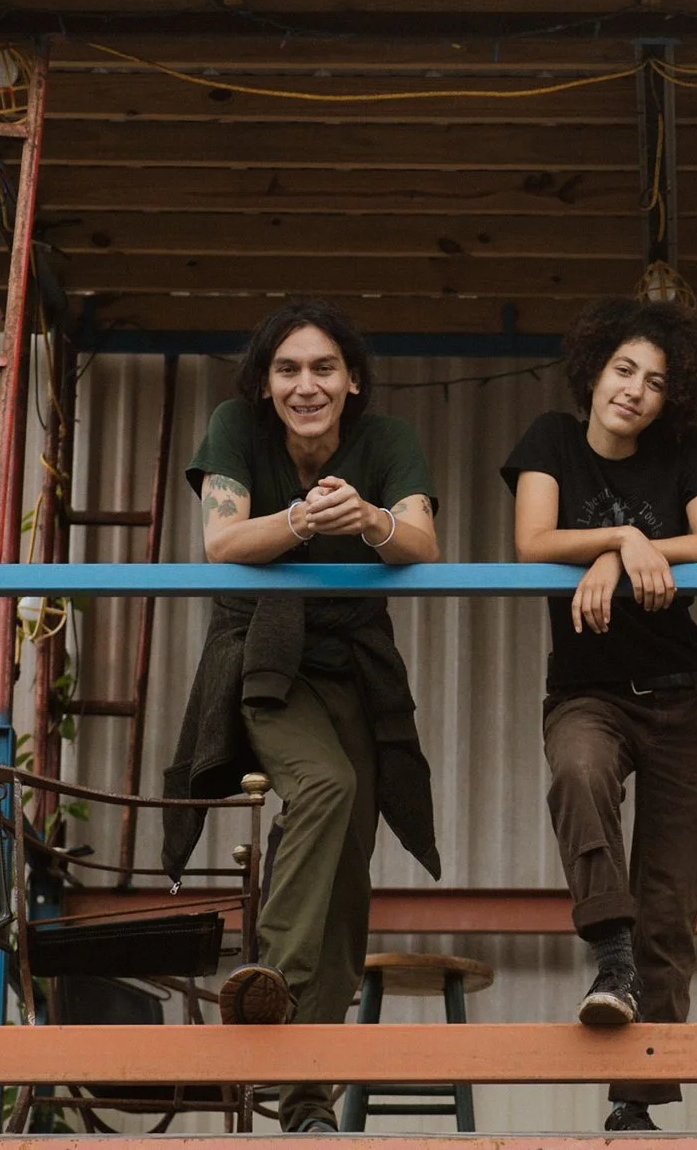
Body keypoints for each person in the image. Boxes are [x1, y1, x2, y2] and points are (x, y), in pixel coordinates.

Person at [160, 298, 443, 1133]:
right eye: (287, 369)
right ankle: (271, 979)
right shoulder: (235, 428)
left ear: (353, 381)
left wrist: (371, 518)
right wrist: (300, 519)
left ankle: (308, 1097)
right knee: (325, 785)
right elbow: (220, 542)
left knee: (349, 874)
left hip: (353, 662)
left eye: (324, 368)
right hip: (264, 654)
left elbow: (422, 540)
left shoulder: (387, 441)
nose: (306, 384)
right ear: (264, 383)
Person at [501, 297, 697, 1134]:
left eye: (656, 381)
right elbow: (533, 540)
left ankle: (635, 1102)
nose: (635, 389)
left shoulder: (682, 452)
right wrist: (615, 541)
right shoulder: (551, 441)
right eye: (624, 369)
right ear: (595, 370)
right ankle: (611, 954)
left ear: (673, 398)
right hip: (589, 692)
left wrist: (633, 550)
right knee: (577, 769)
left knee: (669, 908)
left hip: (687, 696)